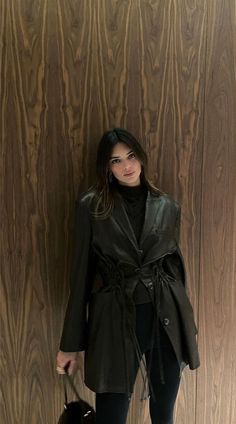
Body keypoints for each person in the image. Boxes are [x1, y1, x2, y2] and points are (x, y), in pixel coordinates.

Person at [56, 128, 200, 424]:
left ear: (141, 157)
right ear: (106, 168)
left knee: (164, 416)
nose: (127, 166)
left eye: (131, 156)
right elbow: (81, 276)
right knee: (111, 416)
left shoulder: (167, 206)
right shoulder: (92, 206)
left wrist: (186, 324)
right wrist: (69, 344)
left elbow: (175, 267)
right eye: (116, 161)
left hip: (165, 320)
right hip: (114, 323)